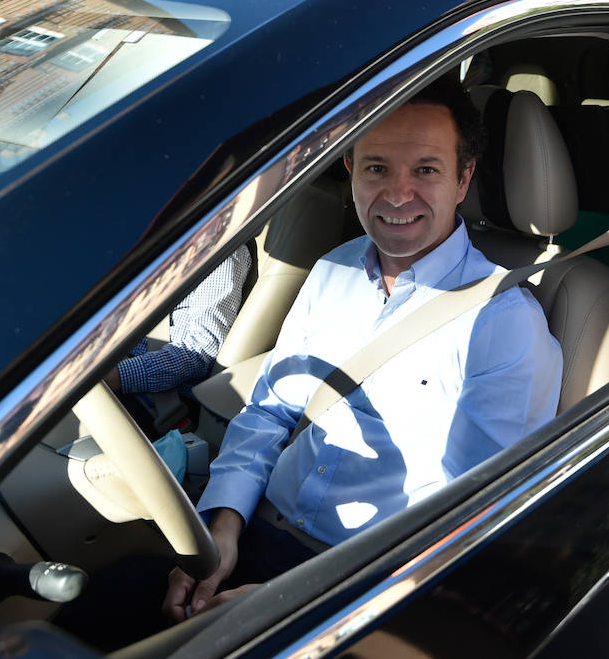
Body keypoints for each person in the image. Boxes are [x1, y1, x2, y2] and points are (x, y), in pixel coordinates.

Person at [163, 79, 562, 620]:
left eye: (426, 170)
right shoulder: (333, 268)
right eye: (377, 168)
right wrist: (222, 525)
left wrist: (296, 603)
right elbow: (269, 411)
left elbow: (473, 517)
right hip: (256, 530)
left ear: (463, 178)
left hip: (364, 588)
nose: (397, 196)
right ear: (350, 169)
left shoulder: (503, 321)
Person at [103, 245, 252, 399]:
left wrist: (119, 376)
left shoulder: (221, 253)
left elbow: (204, 348)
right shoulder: (159, 245)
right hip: (108, 354)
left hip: (154, 397)